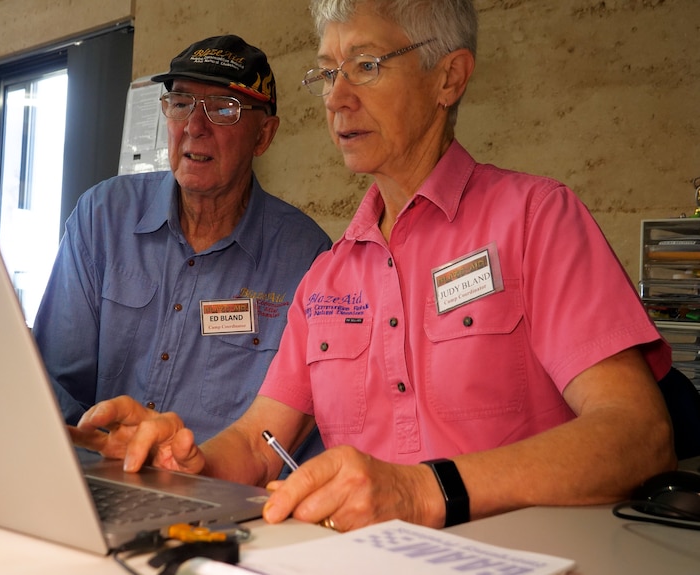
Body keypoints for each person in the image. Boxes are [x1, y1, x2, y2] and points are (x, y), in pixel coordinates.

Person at [69, 0, 677, 532]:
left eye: (366, 65)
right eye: (328, 71)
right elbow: (260, 442)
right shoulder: (328, 274)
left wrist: (422, 490)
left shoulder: (537, 219)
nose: (336, 97)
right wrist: (183, 459)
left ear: (449, 77)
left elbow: (639, 435)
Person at [33, 34, 331, 456]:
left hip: (224, 502)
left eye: (223, 109)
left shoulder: (306, 259)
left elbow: (296, 438)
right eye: (181, 103)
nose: (194, 126)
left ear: (263, 136)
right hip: (98, 478)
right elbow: (53, 382)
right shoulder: (103, 217)